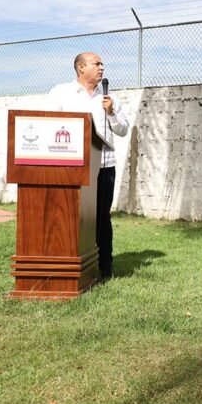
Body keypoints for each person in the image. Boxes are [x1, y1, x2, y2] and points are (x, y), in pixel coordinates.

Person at [49, 52, 129, 280]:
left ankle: (104, 267)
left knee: (101, 216)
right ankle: (70, 263)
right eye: (97, 64)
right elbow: (48, 121)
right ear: (81, 67)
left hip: (104, 166)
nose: (102, 67)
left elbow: (123, 130)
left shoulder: (109, 98)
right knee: (72, 214)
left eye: (103, 64)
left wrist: (111, 112)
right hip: (71, 167)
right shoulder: (61, 93)